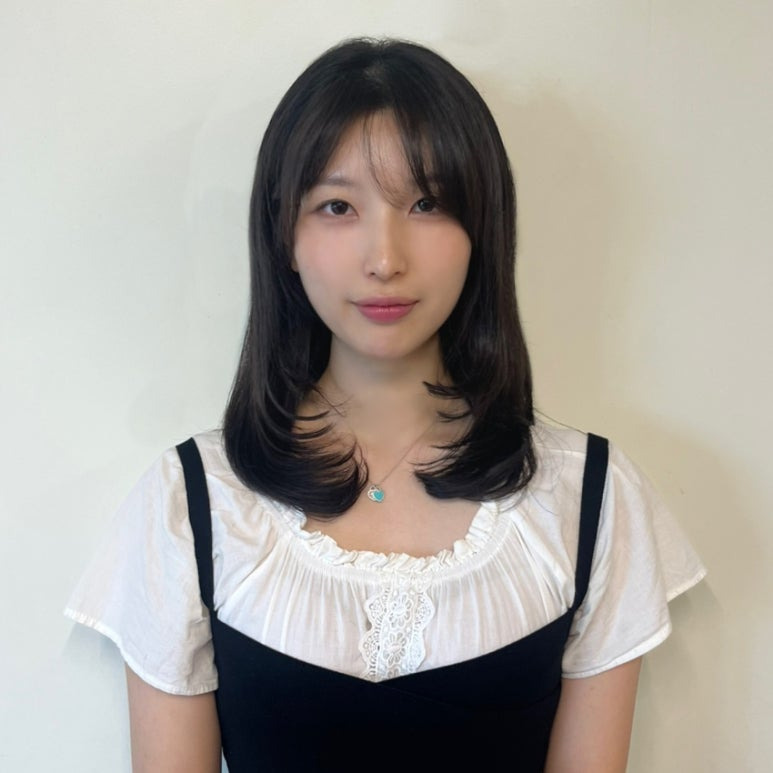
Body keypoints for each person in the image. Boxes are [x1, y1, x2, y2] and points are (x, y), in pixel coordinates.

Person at [65, 37, 706, 772]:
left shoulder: (589, 498)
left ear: (481, 230)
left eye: (427, 203)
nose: (385, 258)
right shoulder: (193, 503)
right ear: (285, 235)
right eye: (337, 206)